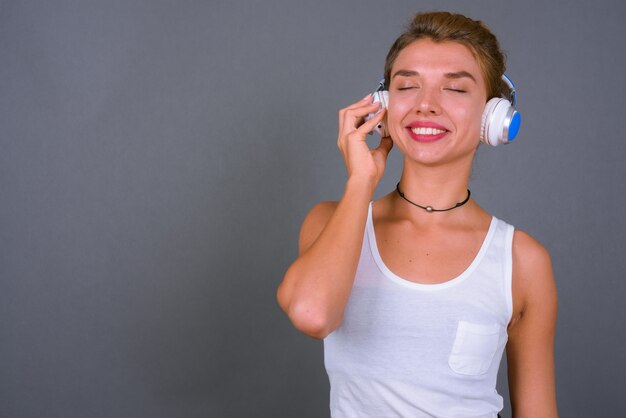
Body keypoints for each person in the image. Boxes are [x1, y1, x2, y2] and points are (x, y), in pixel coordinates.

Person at [277, 11, 558, 418]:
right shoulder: (330, 223)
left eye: (455, 90)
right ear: (383, 106)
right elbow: (312, 314)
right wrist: (362, 181)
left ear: (492, 115)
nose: (426, 105)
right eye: (407, 86)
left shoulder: (522, 261)